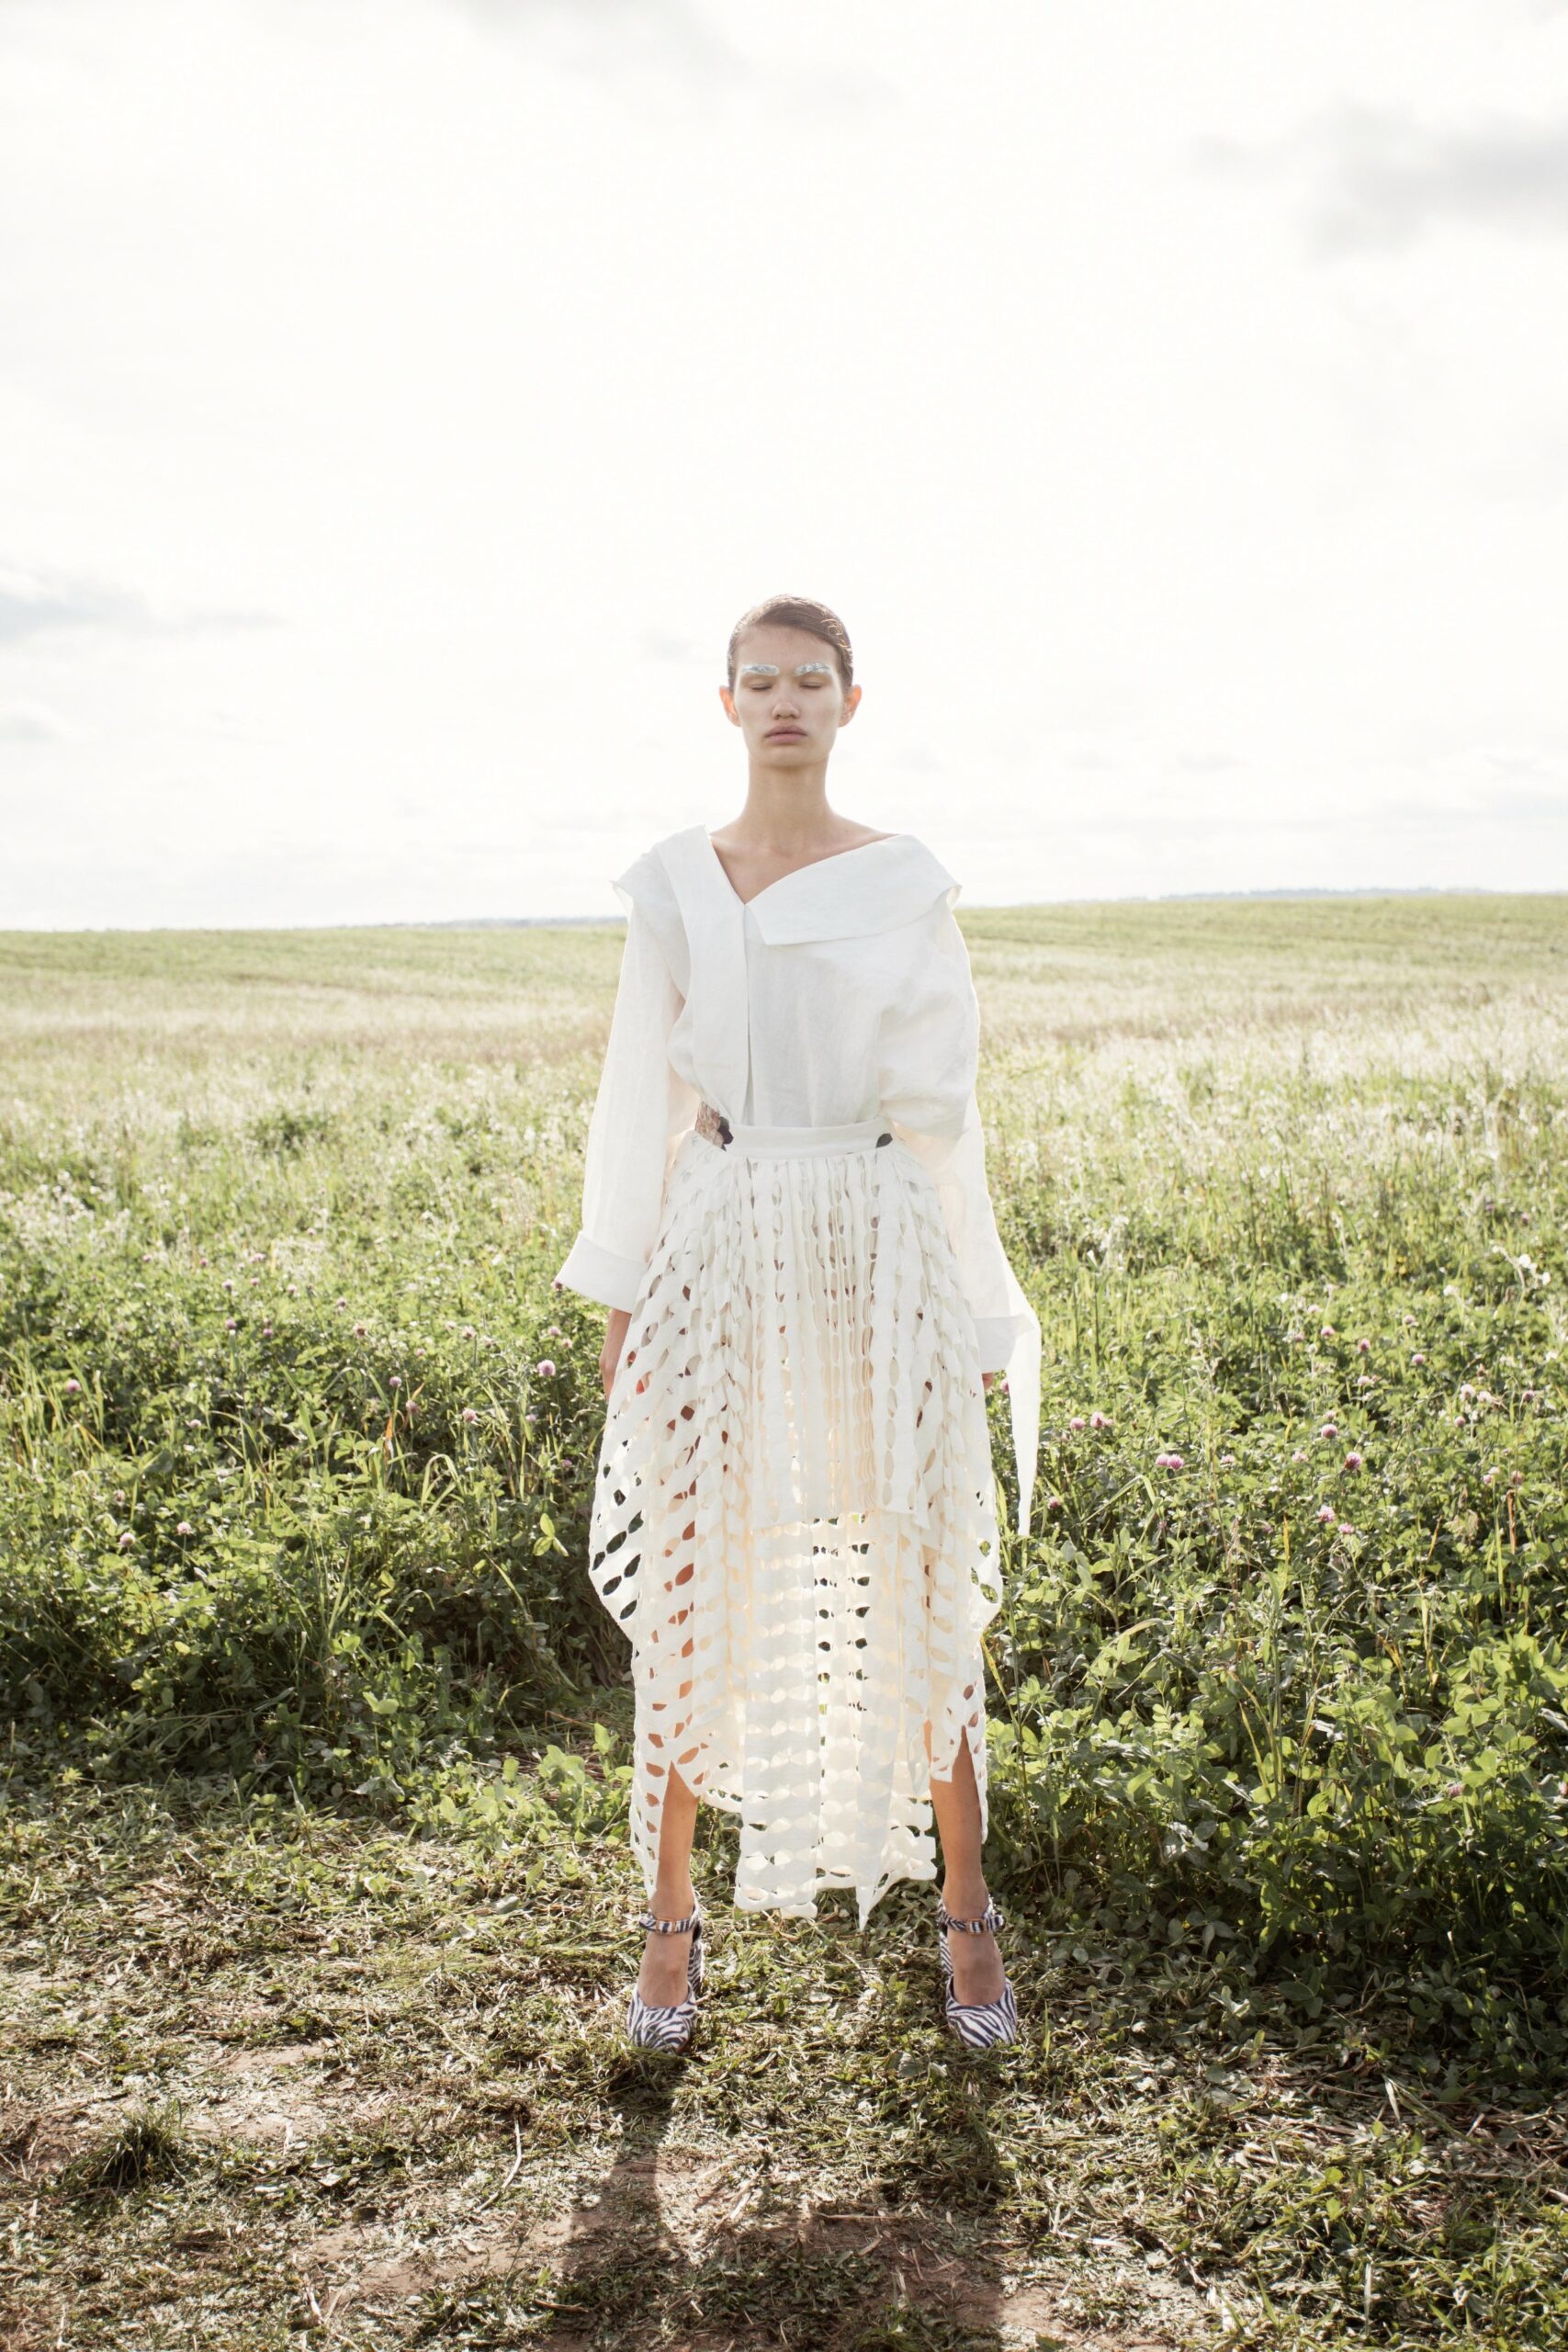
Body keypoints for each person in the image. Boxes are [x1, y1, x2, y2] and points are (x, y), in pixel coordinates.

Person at [554, 594, 1040, 2051]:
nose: (784, 701)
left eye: (809, 680)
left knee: (915, 1563)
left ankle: (966, 1914)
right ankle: (668, 1926)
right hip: (722, 1236)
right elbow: (638, 1100)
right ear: (726, 704)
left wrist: (973, 1309)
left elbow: (945, 1117)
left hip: (877, 1239)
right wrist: (626, 1294)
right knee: (694, 1566)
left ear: (848, 702)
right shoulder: (674, 884)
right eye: (759, 680)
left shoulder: (903, 883)